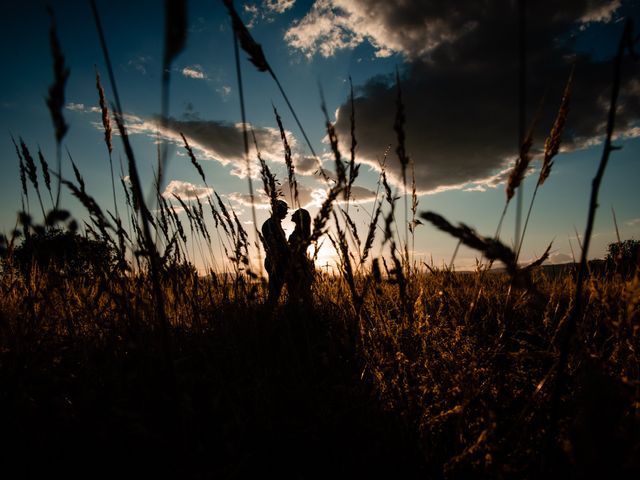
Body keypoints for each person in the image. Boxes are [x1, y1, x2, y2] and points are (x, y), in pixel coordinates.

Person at [261, 199, 289, 305]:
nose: (286, 213)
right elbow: (273, 245)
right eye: (284, 210)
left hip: (279, 261)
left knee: (276, 292)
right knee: (274, 293)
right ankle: (268, 314)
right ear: (278, 210)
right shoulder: (270, 224)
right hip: (275, 262)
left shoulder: (275, 224)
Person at [287, 208, 315, 305]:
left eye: (294, 214)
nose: (292, 215)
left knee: (298, 290)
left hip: (298, 262)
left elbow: (296, 249)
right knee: (297, 291)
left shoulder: (301, 231)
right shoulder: (300, 230)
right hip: (297, 261)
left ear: (299, 217)